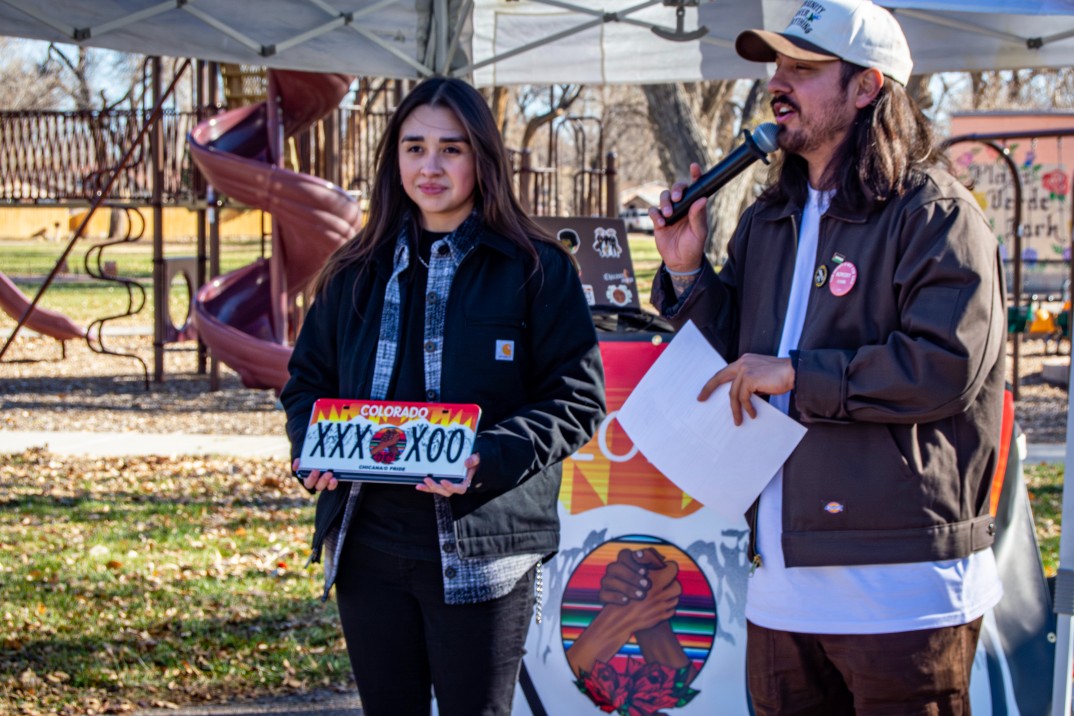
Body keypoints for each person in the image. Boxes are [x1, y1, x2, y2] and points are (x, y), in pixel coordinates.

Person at [647, 0, 1006, 713]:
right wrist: (688, 274)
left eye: (803, 68)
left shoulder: (935, 215)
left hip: (902, 595)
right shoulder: (768, 217)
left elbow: (946, 367)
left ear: (868, 87)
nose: (778, 82)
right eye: (777, 66)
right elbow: (739, 360)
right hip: (781, 586)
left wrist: (799, 375)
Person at [280, 76, 606, 716]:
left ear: (482, 157)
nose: (430, 166)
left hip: (483, 553)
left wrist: (488, 456)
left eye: (451, 149)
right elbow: (307, 382)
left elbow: (577, 399)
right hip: (366, 547)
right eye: (414, 147)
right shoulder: (353, 269)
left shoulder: (537, 267)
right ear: (393, 157)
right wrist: (309, 447)